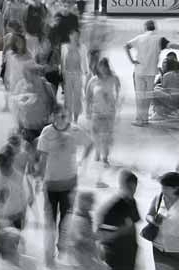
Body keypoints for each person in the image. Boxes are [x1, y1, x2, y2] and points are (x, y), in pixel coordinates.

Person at [36, 104, 93, 266]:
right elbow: (43, 157)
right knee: (50, 220)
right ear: (53, 116)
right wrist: (39, 178)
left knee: (66, 219)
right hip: (51, 184)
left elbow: (89, 143)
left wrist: (82, 161)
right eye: (59, 115)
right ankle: (49, 252)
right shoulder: (46, 132)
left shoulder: (75, 131)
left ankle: (61, 244)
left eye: (64, 116)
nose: (62, 118)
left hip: (69, 184)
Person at [124, 20, 179, 127]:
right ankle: (145, 119)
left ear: (145, 28)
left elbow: (126, 46)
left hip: (139, 70)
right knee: (147, 95)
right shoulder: (159, 39)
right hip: (151, 72)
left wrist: (132, 60)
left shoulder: (139, 38)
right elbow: (172, 45)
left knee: (139, 95)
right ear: (154, 28)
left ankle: (139, 119)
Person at [85, 58, 121, 187]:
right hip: (96, 112)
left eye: (105, 66)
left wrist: (116, 104)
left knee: (106, 135)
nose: (103, 69)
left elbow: (119, 93)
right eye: (101, 66)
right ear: (98, 68)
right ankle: (97, 151)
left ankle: (105, 156)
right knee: (95, 135)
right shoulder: (93, 80)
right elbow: (88, 96)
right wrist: (87, 110)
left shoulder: (114, 79)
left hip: (109, 113)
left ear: (107, 66)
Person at [97, 170, 140, 270]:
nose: (132, 192)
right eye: (129, 188)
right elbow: (102, 235)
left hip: (130, 254)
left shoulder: (132, 202)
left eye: (134, 189)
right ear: (122, 185)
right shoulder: (113, 207)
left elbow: (133, 225)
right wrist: (121, 231)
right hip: (116, 256)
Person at [145, 172, 179, 269]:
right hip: (158, 248)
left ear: (176, 188)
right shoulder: (158, 198)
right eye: (162, 187)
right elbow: (148, 215)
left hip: (178, 250)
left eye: (165, 188)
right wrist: (153, 220)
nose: (162, 190)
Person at [11, 65, 56, 143]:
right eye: (25, 75)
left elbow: (54, 104)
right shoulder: (21, 85)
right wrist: (18, 125)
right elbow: (16, 105)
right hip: (27, 127)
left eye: (28, 75)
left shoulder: (46, 86)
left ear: (36, 74)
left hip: (43, 126)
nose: (26, 78)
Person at [63, 191, 103, 269]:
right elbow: (78, 238)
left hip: (83, 255)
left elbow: (87, 236)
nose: (92, 205)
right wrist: (93, 238)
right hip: (78, 256)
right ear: (83, 202)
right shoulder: (77, 218)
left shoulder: (86, 216)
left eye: (92, 202)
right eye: (90, 202)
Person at [61, 29, 90, 123]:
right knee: (68, 97)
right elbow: (62, 62)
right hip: (67, 74)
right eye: (73, 35)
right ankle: (69, 117)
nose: (75, 37)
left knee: (77, 96)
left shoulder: (82, 47)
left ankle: (76, 119)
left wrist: (86, 72)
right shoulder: (64, 47)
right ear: (69, 36)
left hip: (78, 74)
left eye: (77, 35)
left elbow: (85, 60)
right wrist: (62, 74)